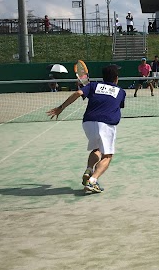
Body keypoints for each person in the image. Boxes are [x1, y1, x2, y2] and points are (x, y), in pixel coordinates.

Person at [47, 64, 125, 194]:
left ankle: (89, 170)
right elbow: (117, 105)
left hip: (88, 123)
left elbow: (78, 93)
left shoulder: (93, 85)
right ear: (116, 79)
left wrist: (61, 108)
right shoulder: (121, 91)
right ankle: (92, 181)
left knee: (97, 149)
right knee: (107, 156)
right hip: (106, 124)